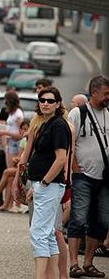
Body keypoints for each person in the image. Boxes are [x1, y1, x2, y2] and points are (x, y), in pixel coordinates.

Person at [19, 87, 71, 279]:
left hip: (49, 185)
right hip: (43, 185)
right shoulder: (45, 124)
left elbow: (61, 159)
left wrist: (42, 183)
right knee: (47, 234)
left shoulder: (58, 125)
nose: (46, 104)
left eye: (50, 101)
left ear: (58, 104)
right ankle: (51, 276)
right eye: (42, 100)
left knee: (38, 233)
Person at [66, 75, 109, 279]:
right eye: (105, 94)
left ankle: (89, 263)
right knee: (78, 219)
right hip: (83, 176)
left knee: (100, 222)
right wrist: (75, 168)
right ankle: (74, 264)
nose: (108, 97)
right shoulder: (78, 113)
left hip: (105, 178)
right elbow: (68, 143)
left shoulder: (108, 114)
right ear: (94, 93)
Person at [0, 90, 25, 168]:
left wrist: (5, 132)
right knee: (9, 168)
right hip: (11, 142)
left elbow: (20, 134)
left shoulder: (18, 114)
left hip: (15, 143)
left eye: (5, 99)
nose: (4, 102)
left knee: (11, 170)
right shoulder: (12, 113)